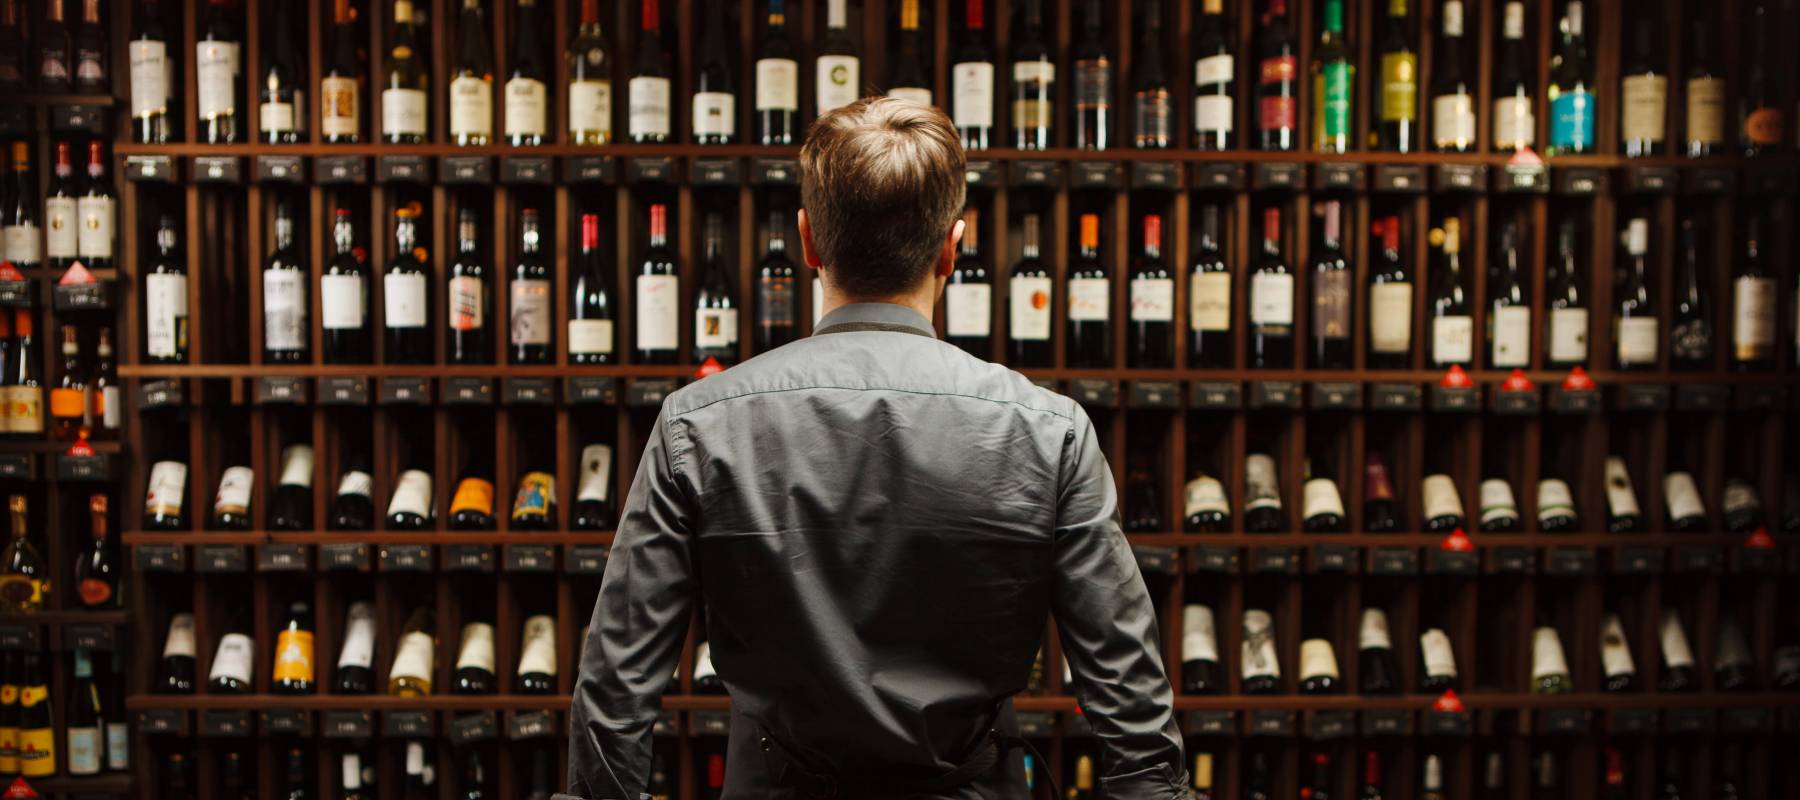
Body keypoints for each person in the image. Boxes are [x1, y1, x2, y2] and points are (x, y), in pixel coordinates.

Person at [563, 97, 1187, 799]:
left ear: (807, 241)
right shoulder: (1051, 431)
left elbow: (616, 688)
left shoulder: (698, 425)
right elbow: (1129, 700)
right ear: (954, 246)